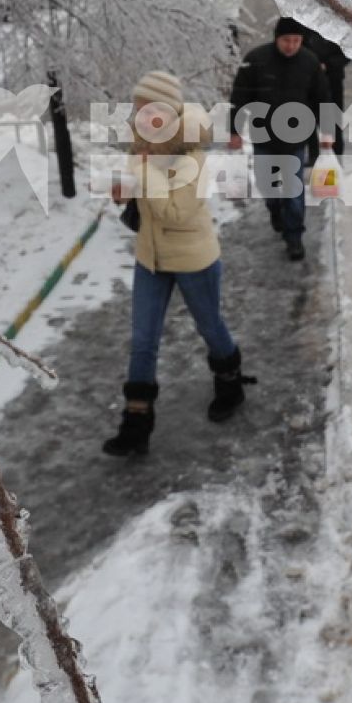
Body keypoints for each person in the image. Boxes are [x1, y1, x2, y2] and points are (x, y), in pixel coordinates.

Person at [103, 71, 249, 457]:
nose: (136, 117)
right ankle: (136, 424)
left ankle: (230, 382)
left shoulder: (193, 157)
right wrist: (122, 190)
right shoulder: (141, 150)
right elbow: (137, 191)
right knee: (142, 341)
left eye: (144, 109)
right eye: (135, 109)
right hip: (150, 257)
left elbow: (175, 214)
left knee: (210, 325)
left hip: (193, 259)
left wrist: (140, 174)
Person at [228, 17, 333, 262]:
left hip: (296, 138)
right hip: (263, 136)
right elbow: (239, 96)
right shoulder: (256, 60)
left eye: (296, 41)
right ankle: (275, 210)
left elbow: (323, 98)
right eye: (286, 40)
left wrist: (327, 132)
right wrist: (234, 130)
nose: (291, 46)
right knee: (268, 186)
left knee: (293, 189)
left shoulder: (309, 62)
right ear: (277, 38)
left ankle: (294, 235)